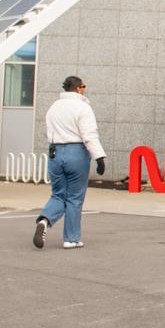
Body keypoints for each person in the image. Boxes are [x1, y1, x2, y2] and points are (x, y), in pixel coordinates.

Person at [32, 76, 105, 250]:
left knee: (58, 194)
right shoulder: (83, 107)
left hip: (55, 153)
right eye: (84, 86)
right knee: (74, 197)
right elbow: (89, 135)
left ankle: (44, 220)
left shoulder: (54, 107)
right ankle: (71, 239)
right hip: (76, 153)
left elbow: (49, 132)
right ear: (79, 88)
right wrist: (99, 157)